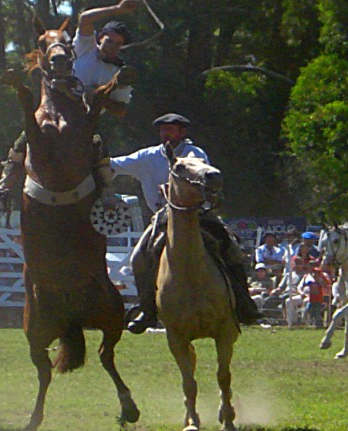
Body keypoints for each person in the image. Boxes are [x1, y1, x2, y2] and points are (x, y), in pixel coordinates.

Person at [0, 0, 144, 210]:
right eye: (109, 41)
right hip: (53, 109)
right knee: (26, 137)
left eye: (118, 45)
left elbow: (121, 110)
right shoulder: (84, 46)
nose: (112, 47)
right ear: (100, 38)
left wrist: (99, 98)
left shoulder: (119, 73)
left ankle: (107, 192)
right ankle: (4, 184)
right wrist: (117, 8)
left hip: (84, 121)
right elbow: (85, 18)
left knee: (98, 146)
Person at [112, 113, 262, 333]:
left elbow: (208, 184)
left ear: (182, 133)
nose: (165, 134)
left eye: (171, 129)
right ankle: (146, 308)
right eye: (163, 130)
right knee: (138, 258)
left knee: (231, 247)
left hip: (197, 214)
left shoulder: (195, 155)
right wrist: (93, 155)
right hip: (163, 217)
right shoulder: (147, 156)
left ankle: (243, 302)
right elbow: (115, 164)